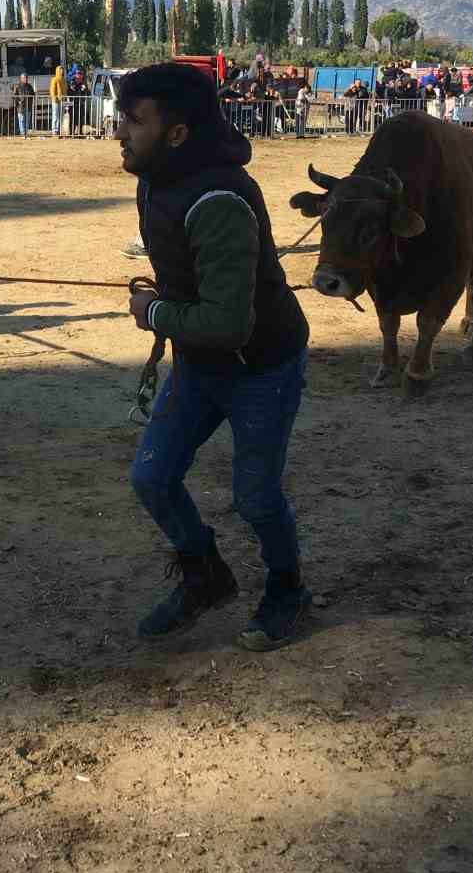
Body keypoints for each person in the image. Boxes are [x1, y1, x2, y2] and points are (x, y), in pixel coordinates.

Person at [115, 63, 312, 650]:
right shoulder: (154, 175)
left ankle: (287, 587)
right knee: (151, 476)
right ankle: (206, 575)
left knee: (255, 496)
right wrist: (167, 292)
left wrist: (153, 313)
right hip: (202, 362)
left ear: (177, 133)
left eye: (133, 120)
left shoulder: (219, 199)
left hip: (262, 366)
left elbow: (228, 323)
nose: (119, 131)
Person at [11, 71, 36, 137]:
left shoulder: (29, 86)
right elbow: (14, 96)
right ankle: (22, 133)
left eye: (26, 77)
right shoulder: (17, 86)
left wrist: (32, 98)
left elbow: (33, 94)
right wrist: (18, 101)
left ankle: (26, 133)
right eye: (24, 78)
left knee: (27, 121)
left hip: (28, 106)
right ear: (21, 78)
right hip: (20, 106)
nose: (26, 79)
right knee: (21, 120)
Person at [49, 64, 67, 137]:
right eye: (60, 69)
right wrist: (54, 97)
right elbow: (52, 89)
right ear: (58, 70)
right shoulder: (54, 79)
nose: (62, 71)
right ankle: (54, 130)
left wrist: (65, 98)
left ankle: (60, 130)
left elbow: (65, 90)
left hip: (62, 100)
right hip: (55, 101)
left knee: (61, 116)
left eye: (62, 69)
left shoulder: (63, 80)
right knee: (55, 115)